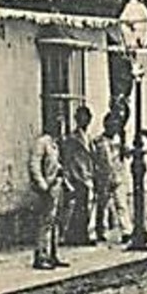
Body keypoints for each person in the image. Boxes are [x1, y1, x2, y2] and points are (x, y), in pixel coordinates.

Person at [28, 117, 68, 271]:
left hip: (57, 186)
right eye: (57, 125)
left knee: (55, 221)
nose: (60, 128)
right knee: (45, 222)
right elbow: (34, 165)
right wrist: (42, 185)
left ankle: (53, 254)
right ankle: (41, 255)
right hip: (48, 187)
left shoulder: (55, 143)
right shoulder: (42, 142)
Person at [59, 105, 96, 247]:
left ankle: (82, 234)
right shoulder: (72, 138)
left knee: (85, 207)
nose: (84, 121)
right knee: (76, 207)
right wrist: (68, 177)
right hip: (76, 175)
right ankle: (73, 235)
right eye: (81, 118)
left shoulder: (89, 137)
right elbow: (68, 159)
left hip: (87, 175)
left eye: (86, 118)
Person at [90, 115, 123, 244]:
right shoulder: (98, 141)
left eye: (115, 125)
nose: (113, 128)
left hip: (117, 174)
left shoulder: (118, 140)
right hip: (103, 176)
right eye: (111, 125)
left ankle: (126, 231)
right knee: (102, 205)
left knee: (121, 204)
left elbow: (117, 158)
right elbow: (96, 158)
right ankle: (100, 230)